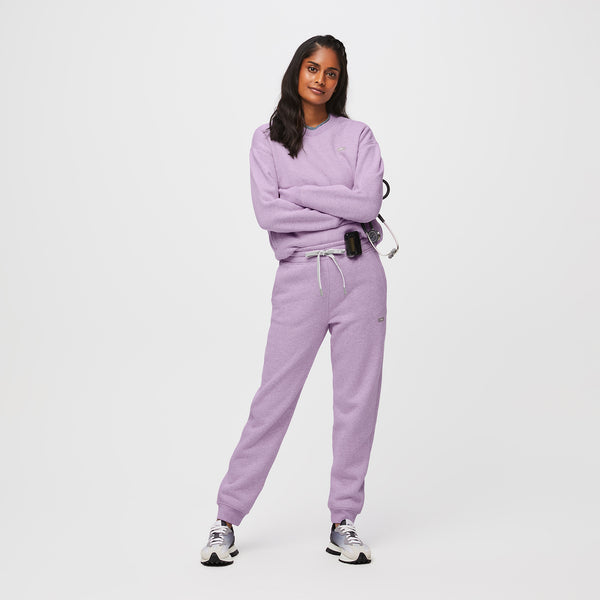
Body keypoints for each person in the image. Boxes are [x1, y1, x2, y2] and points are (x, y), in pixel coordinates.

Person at [201, 34, 387, 567]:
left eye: (331, 72)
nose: (320, 80)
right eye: (312, 67)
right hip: (300, 281)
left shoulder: (358, 135)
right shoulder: (267, 140)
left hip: (360, 276)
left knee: (356, 403)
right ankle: (226, 519)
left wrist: (299, 196)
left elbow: (368, 204)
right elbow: (269, 214)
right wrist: (340, 208)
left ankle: (344, 521)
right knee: (272, 402)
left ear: (339, 80)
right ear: (296, 71)